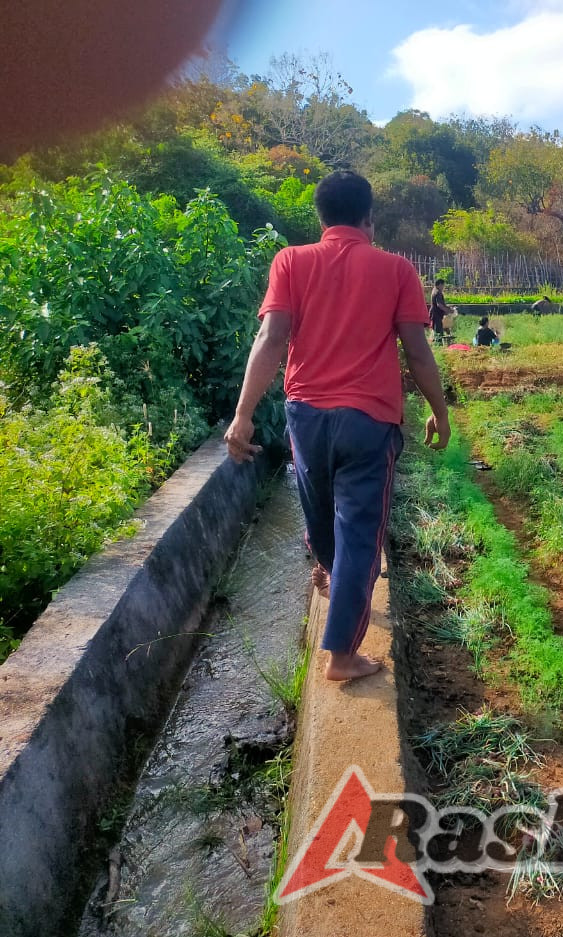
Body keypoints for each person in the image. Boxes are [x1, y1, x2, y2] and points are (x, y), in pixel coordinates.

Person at [224, 170, 451, 682]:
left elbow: (271, 338)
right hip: (368, 419)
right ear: (369, 217)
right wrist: (439, 410)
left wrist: (242, 415)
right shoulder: (396, 271)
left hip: (305, 416)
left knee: (319, 513)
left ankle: (327, 572)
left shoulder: (291, 261)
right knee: (360, 531)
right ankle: (343, 656)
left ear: (321, 217)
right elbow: (417, 351)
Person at [429, 279, 449, 344]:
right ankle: (438, 344)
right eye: (443, 285)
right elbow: (439, 305)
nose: (444, 287)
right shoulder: (438, 292)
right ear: (440, 284)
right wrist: (447, 310)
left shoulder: (434, 290)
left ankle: (436, 342)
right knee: (438, 330)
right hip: (437, 314)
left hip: (435, 313)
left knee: (436, 329)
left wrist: (447, 307)